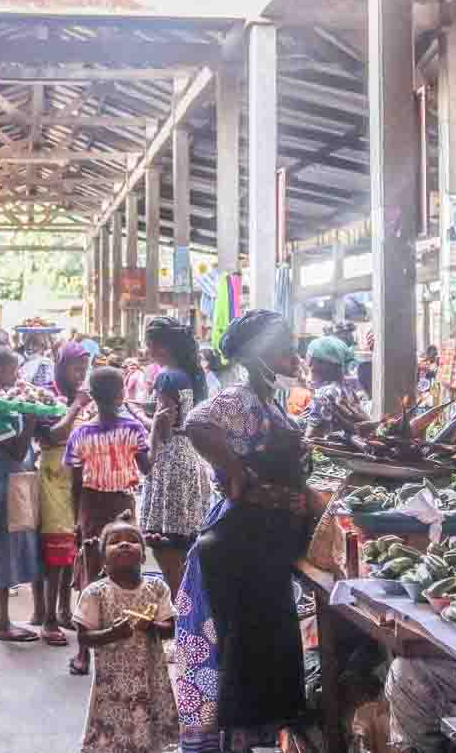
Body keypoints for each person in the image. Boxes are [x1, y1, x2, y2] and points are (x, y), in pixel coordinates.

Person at [179, 310, 309, 753]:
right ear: (259, 351)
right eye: (284, 340)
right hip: (241, 546)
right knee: (245, 657)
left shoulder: (267, 398)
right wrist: (235, 472)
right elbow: (197, 423)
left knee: (262, 654)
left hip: (262, 547)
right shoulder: (240, 397)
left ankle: (252, 740)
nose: (293, 348)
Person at [65, 367, 149, 676]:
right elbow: (147, 466)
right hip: (123, 506)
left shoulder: (80, 433)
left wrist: (76, 519)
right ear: (121, 395)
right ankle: (130, 647)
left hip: (91, 505)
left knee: (91, 575)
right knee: (126, 572)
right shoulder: (134, 429)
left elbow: (74, 482)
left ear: (93, 397)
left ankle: (84, 654)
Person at [73, 512, 178, 753]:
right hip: (111, 684)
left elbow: (170, 627)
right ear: (103, 559)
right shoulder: (94, 593)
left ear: (143, 556)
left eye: (131, 540)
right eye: (114, 541)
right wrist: (112, 633)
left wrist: (151, 626)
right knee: (111, 736)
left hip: (149, 679)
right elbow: (83, 637)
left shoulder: (157, 589)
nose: (123, 543)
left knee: (146, 733)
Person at [128, 317, 214, 598]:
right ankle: (193, 613)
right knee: (186, 541)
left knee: (166, 543)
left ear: (160, 346)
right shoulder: (192, 374)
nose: (146, 348)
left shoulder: (166, 376)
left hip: (171, 459)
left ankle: (180, 612)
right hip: (191, 456)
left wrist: (138, 415)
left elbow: (164, 427)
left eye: (148, 342)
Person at [0, 345, 44, 642]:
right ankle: (0, 623)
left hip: (15, 480)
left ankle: (6, 620)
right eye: (14, 369)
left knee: (14, 544)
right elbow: (16, 450)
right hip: (4, 480)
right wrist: (31, 416)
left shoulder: (4, 400)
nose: (19, 375)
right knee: (3, 547)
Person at [31, 342, 93, 647]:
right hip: (53, 473)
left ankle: (65, 609)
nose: (80, 373)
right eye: (75, 367)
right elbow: (52, 434)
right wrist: (77, 405)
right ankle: (48, 620)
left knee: (71, 544)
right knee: (57, 546)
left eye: (84, 367)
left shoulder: (77, 396)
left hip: (76, 476)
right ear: (62, 366)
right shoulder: (48, 394)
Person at [304, 335, 372, 439]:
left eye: (309, 358)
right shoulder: (347, 390)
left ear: (318, 363)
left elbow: (310, 436)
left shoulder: (323, 395)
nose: (307, 363)